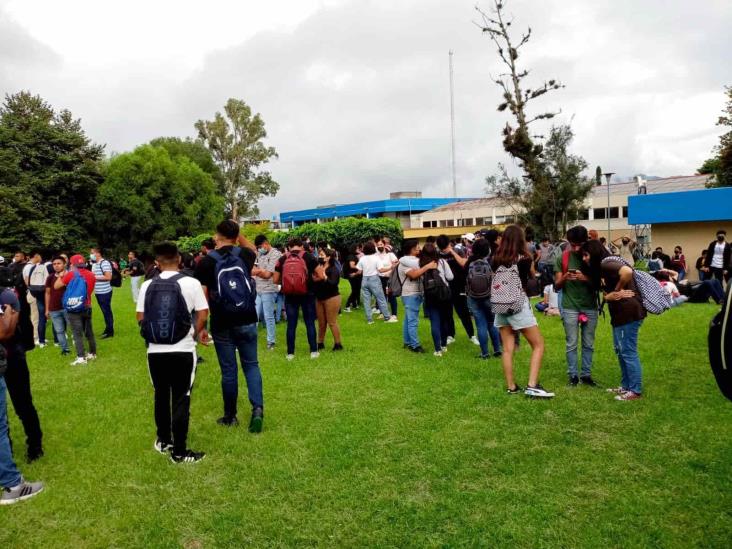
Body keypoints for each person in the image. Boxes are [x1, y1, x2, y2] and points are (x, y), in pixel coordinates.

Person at [137, 242, 209, 463]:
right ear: (179, 259)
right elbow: (203, 313)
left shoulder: (147, 285)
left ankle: (163, 439)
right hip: (183, 349)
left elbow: (141, 317)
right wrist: (193, 333)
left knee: (160, 394)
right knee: (181, 398)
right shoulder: (192, 283)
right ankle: (179, 452)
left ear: (157, 263)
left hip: (155, 351)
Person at [194, 220, 264, 431]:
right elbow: (252, 248)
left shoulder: (206, 262)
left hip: (222, 321)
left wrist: (201, 326)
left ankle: (230, 416)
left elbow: (203, 296)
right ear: (236, 235)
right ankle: (257, 409)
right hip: (247, 316)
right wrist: (237, 232)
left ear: (217, 236)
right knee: (251, 364)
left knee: (229, 370)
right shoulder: (245, 255)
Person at [491, 225, 554, 398]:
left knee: (507, 349)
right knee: (538, 344)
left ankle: (511, 387)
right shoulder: (525, 258)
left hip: (500, 305)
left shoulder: (496, 257)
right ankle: (532, 385)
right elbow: (532, 276)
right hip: (518, 304)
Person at [581, 240, 646, 401]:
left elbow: (627, 272)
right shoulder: (604, 266)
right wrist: (609, 295)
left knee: (628, 351)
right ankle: (625, 386)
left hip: (628, 312)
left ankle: (635, 390)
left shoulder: (607, 263)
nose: (584, 258)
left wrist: (616, 291)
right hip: (619, 314)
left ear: (594, 253)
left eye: (586, 254)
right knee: (620, 350)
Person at [0, 303, 44, 504]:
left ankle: (35, 446)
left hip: (14, 358)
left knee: (23, 405)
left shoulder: (8, 295)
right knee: (2, 424)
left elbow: (9, 332)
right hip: (7, 357)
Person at [553, 226, 600, 387]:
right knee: (571, 343)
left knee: (588, 343)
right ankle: (573, 375)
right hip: (570, 306)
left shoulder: (592, 257)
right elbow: (556, 287)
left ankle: (586, 375)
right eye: (573, 245)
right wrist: (565, 277)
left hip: (590, 306)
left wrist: (585, 278)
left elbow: (600, 285)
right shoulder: (563, 258)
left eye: (580, 245)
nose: (576, 248)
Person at [273, 237, 320, 360]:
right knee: (309, 322)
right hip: (307, 294)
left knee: (291, 324)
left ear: (289, 247)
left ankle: (290, 353)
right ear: (302, 246)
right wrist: (310, 280)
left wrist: (286, 283)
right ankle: (314, 351)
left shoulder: (282, 258)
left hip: (289, 295)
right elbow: (320, 274)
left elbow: (275, 280)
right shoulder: (309, 257)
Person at [55, 254, 97, 365]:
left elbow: (57, 286)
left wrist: (60, 275)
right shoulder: (92, 275)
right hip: (87, 305)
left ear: (72, 264)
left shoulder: (71, 274)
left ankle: (81, 357)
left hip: (74, 307)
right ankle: (92, 353)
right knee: (89, 331)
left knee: (77, 333)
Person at [464, 238, 502, 359]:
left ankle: (484, 353)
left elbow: (465, 280)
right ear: (487, 250)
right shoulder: (490, 263)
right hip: (488, 296)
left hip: (473, 297)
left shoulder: (469, 263)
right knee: (492, 323)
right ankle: (497, 350)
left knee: (480, 325)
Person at [437, 235, 478, 346]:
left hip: (459, 286)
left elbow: (464, 263)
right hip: (445, 288)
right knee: (447, 313)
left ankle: (471, 335)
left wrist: (452, 252)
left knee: (463, 312)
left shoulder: (458, 251)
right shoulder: (437, 255)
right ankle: (450, 335)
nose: (443, 250)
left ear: (449, 244)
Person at [398, 239, 433, 353]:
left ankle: (407, 342)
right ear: (411, 248)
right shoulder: (404, 262)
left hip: (415, 293)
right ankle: (415, 345)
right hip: (410, 294)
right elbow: (414, 274)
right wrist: (427, 267)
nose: (419, 248)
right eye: (417, 246)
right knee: (413, 321)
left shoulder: (414, 260)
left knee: (408, 319)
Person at [419, 243, 453, 357]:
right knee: (444, 320)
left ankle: (437, 350)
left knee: (435, 322)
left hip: (430, 295)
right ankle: (443, 345)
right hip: (443, 294)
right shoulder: (442, 262)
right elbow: (450, 277)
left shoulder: (420, 264)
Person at [252, 235, 282, 351]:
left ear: (266, 243)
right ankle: (250, 339)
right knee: (253, 315)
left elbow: (268, 274)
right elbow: (259, 271)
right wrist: (259, 271)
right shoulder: (260, 254)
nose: (259, 249)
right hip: (259, 289)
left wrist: (256, 271)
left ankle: (271, 341)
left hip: (269, 289)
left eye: (260, 247)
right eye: (258, 248)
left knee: (268, 316)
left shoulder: (276, 254)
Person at [355, 242, 396, 325]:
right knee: (381, 299)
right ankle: (387, 317)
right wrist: (391, 267)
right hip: (374, 279)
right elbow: (381, 270)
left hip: (365, 279)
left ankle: (370, 320)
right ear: (374, 248)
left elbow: (359, 271)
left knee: (367, 301)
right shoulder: (376, 258)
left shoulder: (362, 258)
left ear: (365, 249)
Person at [313, 249, 343, 351]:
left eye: (322, 255)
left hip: (332, 297)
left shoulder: (334, 269)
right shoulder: (318, 267)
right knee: (321, 322)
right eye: (319, 255)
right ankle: (320, 343)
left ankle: (338, 344)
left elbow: (333, 283)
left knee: (331, 322)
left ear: (328, 257)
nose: (319, 257)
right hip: (319, 298)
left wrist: (324, 276)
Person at [25, 251, 51, 348]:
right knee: (37, 318)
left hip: (34, 292)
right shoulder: (30, 267)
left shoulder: (32, 267)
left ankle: (40, 338)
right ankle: (36, 338)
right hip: (36, 294)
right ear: (36, 256)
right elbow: (26, 281)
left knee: (39, 317)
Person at [45, 256, 70, 356]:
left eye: (58, 263)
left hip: (68, 307)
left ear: (64, 264)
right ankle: (65, 349)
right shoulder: (50, 277)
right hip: (54, 308)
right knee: (59, 331)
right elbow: (47, 293)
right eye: (54, 264)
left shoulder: (70, 275)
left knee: (74, 328)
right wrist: (47, 309)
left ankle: (80, 348)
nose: (56, 266)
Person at [90, 248, 114, 338]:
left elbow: (108, 277)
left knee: (106, 311)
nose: (91, 255)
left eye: (92, 253)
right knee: (105, 311)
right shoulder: (95, 264)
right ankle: (108, 329)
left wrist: (93, 277)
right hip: (98, 292)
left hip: (105, 292)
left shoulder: (104, 263)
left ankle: (110, 331)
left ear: (98, 253)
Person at [376, 240, 399, 320]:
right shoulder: (376, 256)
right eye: (378, 245)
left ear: (384, 245)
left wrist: (391, 271)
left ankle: (394, 314)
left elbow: (397, 263)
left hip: (389, 278)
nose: (379, 246)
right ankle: (383, 313)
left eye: (381, 244)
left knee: (391, 296)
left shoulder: (390, 255)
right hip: (380, 278)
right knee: (382, 297)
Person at [343, 245, 362, 312]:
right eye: (357, 248)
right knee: (355, 290)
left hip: (355, 275)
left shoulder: (353, 256)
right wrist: (360, 267)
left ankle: (354, 304)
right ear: (354, 249)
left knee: (356, 290)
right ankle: (347, 305)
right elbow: (352, 265)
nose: (358, 249)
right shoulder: (351, 256)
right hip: (352, 275)